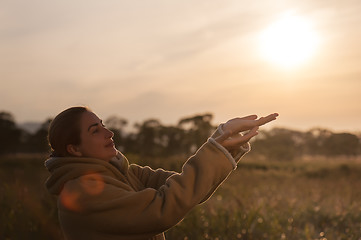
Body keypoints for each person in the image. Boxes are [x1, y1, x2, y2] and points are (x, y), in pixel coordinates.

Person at [45, 106, 278, 240]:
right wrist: (217, 146)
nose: (109, 133)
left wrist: (223, 139)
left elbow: (182, 185)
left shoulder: (123, 173)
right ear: (74, 149)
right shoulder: (85, 193)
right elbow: (163, 208)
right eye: (95, 131)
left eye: (103, 124)